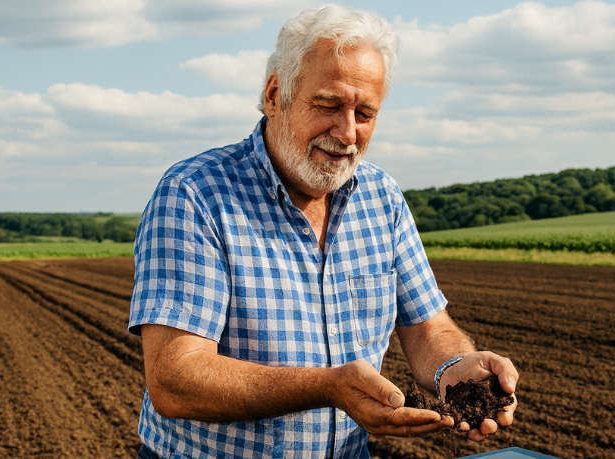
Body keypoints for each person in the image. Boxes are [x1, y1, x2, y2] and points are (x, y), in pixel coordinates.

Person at [128, 4, 518, 458]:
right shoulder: (195, 195)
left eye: (365, 113)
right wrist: (329, 387)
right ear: (275, 94)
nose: (348, 132)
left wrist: (457, 366)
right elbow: (176, 380)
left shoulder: (381, 197)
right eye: (329, 104)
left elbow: (427, 327)